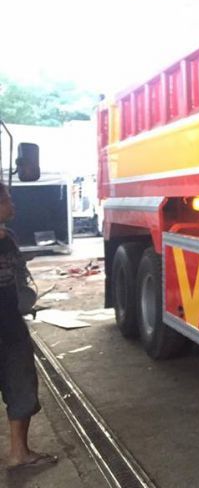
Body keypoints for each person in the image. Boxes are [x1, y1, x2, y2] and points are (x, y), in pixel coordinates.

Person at [0, 181, 57, 471]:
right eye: (8, 199)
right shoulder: (4, 238)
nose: (13, 204)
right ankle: (18, 453)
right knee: (20, 382)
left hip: (8, 318)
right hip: (7, 325)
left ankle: (19, 452)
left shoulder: (7, 237)